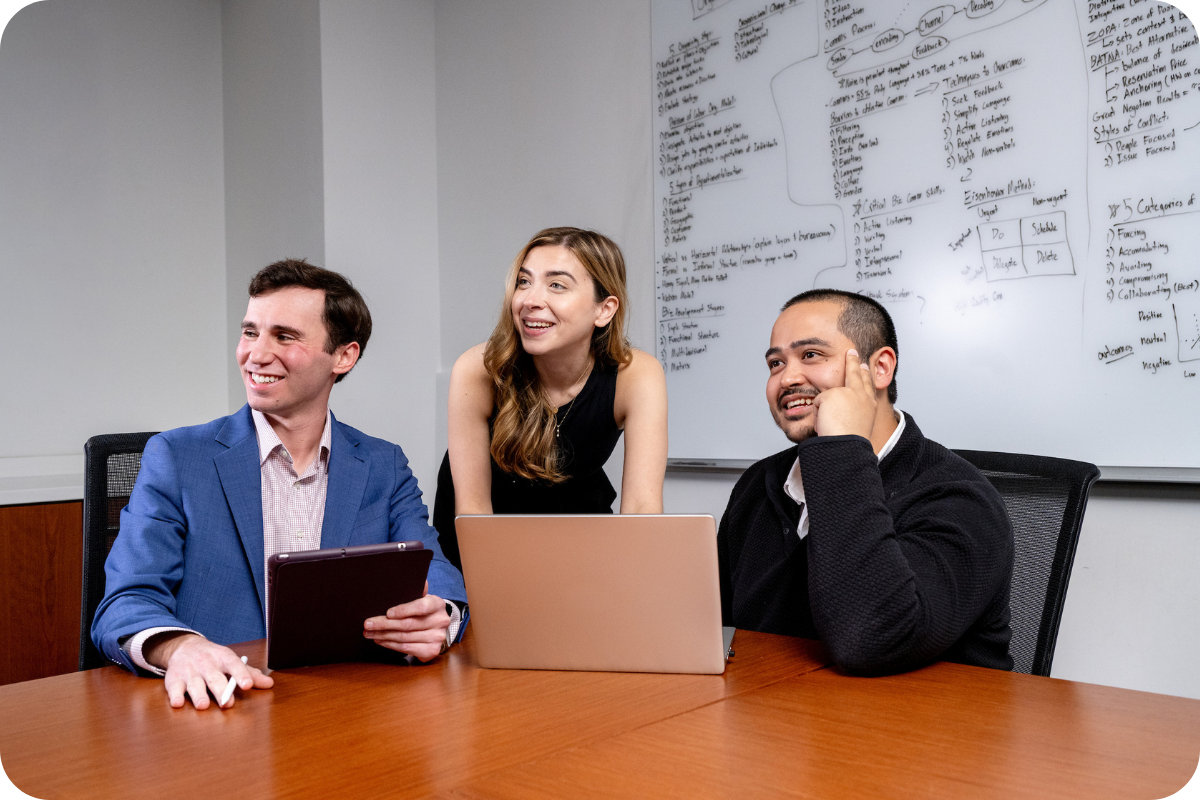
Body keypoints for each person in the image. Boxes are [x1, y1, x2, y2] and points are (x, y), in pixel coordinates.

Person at [92, 259, 467, 709]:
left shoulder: (382, 465)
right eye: (251, 332)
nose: (256, 353)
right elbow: (125, 601)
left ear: (344, 356)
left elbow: (435, 571)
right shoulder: (176, 458)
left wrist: (440, 617)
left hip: (346, 707)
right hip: (220, 714)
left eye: (284, 336)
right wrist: (181, 649)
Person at [718, 289, 1014, 675]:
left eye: (811, 355)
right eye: (776, 363)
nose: (786, 378)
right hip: (784, 712)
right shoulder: (759, 484)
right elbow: (715, 626)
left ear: (880, 369)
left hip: (918, 726)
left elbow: (869, 638)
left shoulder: (964, 500)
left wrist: (841, 446)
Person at [436, 227, 668, 568]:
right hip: (483, 541)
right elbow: (473, 515)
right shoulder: (478, 369)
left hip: (575, 527)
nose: (530, 300)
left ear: (604, 309)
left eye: (557, 285)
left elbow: (642, 512)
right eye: (524, 282)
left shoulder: (637, 375)